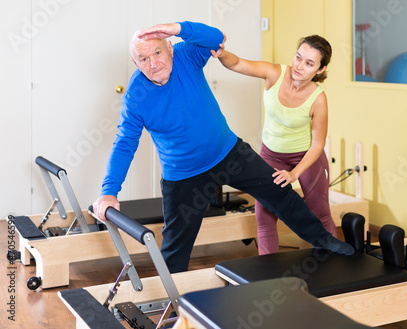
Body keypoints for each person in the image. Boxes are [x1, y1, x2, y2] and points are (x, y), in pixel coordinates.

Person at [92, 21, 354, 274]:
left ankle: (323, 240)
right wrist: (108, 191)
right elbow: (124, 144)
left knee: (280, 192)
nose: (154, 63)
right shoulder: (135, 97)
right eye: (144, 58)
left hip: (229, 153)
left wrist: (177, 28)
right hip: (183, 175)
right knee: (174, 247)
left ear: (170, 47)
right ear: (135, 63)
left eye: (158, 52)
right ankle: (172, 307)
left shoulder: (185, 55)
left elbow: (216, 38)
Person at [211, 34, 337, 255]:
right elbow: (239, 63)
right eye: (298, 58)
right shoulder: (275, 74)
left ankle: (335, 266)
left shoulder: (318, 99)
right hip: (271, 155)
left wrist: (294, 174)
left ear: (320, 69)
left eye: (309, 64)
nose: (299, 66)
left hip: (306, 157)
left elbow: (318, 145)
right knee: (265, 216)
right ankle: (266, 276)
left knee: (319, 213)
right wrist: (221, 54)